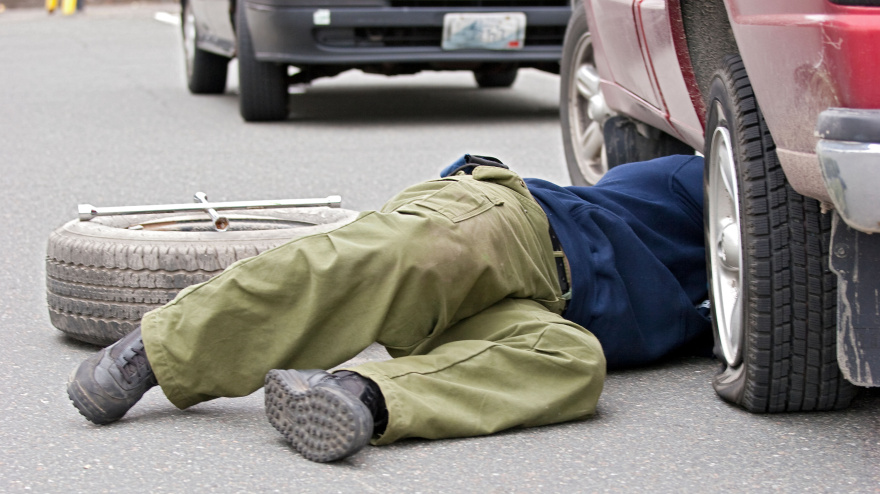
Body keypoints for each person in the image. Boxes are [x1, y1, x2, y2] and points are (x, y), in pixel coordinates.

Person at [66, 154, 710, 463]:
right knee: (416, 253)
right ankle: (158, 349)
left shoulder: (737, 319)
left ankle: (357, 395)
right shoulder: (701, 183)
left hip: (543, 315)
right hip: (520, 228)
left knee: (576, 364)